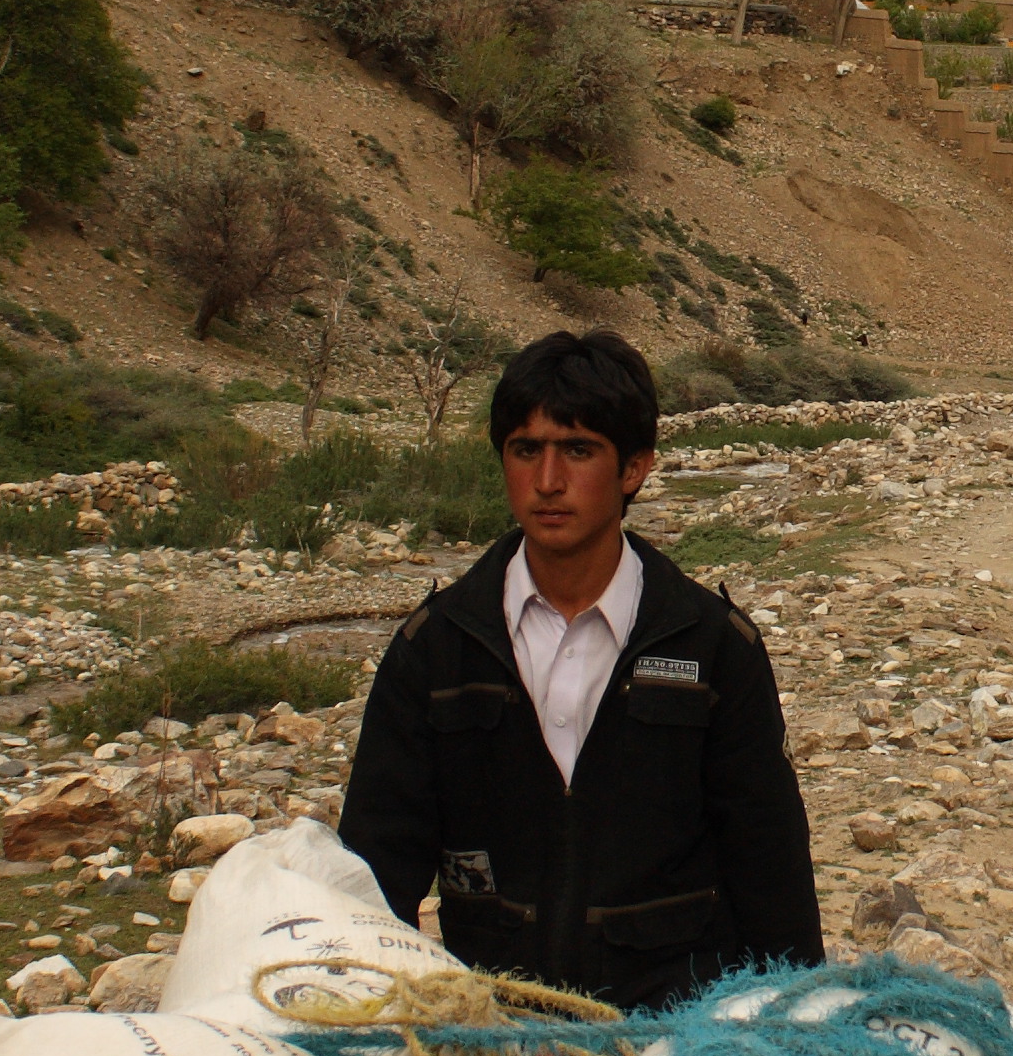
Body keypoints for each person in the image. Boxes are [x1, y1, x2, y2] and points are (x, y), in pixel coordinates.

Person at [338, 325, 823, 1008]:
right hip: (491, 1027)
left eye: (578, 450)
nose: (547, 481)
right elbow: (376, 871)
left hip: (675, 1033)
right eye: (525, 450)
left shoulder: (713, 648)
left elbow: (770, 871)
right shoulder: (436, 649)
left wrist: (796, 1024)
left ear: (634, 468)